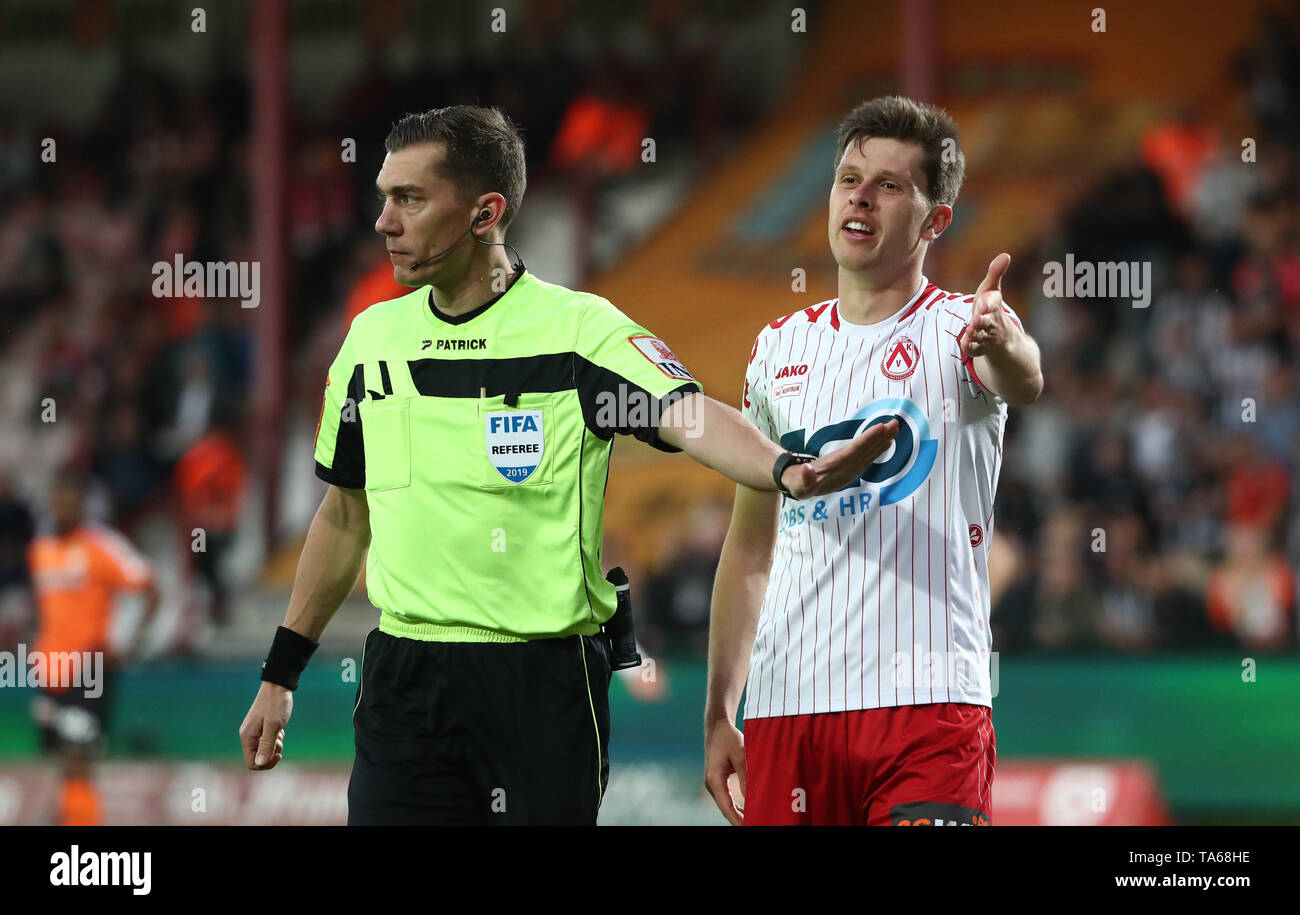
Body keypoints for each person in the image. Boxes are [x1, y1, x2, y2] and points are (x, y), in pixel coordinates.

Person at [238, 105, 899, 826]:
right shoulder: (372, 341)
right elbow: (343, 515)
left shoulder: (577, 334)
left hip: (542, 685)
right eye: (384, 198)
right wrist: (281, 672)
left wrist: (784, 470)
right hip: (406, 678)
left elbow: (687, 412)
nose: (384, 221)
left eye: (410, 198)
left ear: (485, 213)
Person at [704, 96, 1043, 826]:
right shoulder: (776, 351)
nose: (860, 196)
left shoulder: (965, 326)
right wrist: (719, 710)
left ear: (935, 219)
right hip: (788, 709)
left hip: (928, 705)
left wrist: (1002, 343)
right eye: (849, 177)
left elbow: (1026, 375)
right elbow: (752, 543)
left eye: (889, 184)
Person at [27, 469, 159, 826]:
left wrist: (130, 641)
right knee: (63, 763)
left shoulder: (102, 546)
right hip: (50, 672)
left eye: (69, 499)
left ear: (83, 504)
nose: (61, 507)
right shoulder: (40, 550)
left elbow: (149, 587)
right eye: (56, 499)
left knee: (77, 758)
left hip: (89, 670)